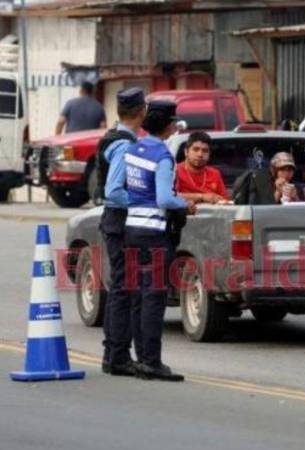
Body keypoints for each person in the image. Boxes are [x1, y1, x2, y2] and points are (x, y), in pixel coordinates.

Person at [118, 100, 195, 381]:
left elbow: (130, 190)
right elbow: (163, 198)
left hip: (132, 230)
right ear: (166, 126)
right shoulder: (162, 155)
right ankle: (152, 361)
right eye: (173, 122)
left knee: (138, 296)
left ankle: (141, 359)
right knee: (154, 298)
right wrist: (184, 204)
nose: (175, 126)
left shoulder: (133, 149)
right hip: (153, 234)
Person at [99, 87, 146, 376]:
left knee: (121, 287)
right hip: (121, 220)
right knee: (124, 289)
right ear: (141, 111)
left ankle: (113, 353)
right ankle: (117, 356)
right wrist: (144, 201)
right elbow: (114, 191)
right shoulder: (125, 145)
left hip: (115, 221)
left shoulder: (113, 136)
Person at [175, 131, 229, 204]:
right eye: (196, 149)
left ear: (209, 154)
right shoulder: (175, 171)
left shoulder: (214, 174)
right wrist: (202, 197)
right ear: (186, 152)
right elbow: (169, 197)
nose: (200, 154)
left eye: (205, 151)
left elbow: (224, 201)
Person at [232, 152, 299, 205]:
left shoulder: (294, 185)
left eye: (290, 170)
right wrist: (278, 192)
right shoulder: (263, 184)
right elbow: (266, 208)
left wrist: (295, 197)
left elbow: (302, 209)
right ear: (274, 171)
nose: (286, 174)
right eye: (282, 170)